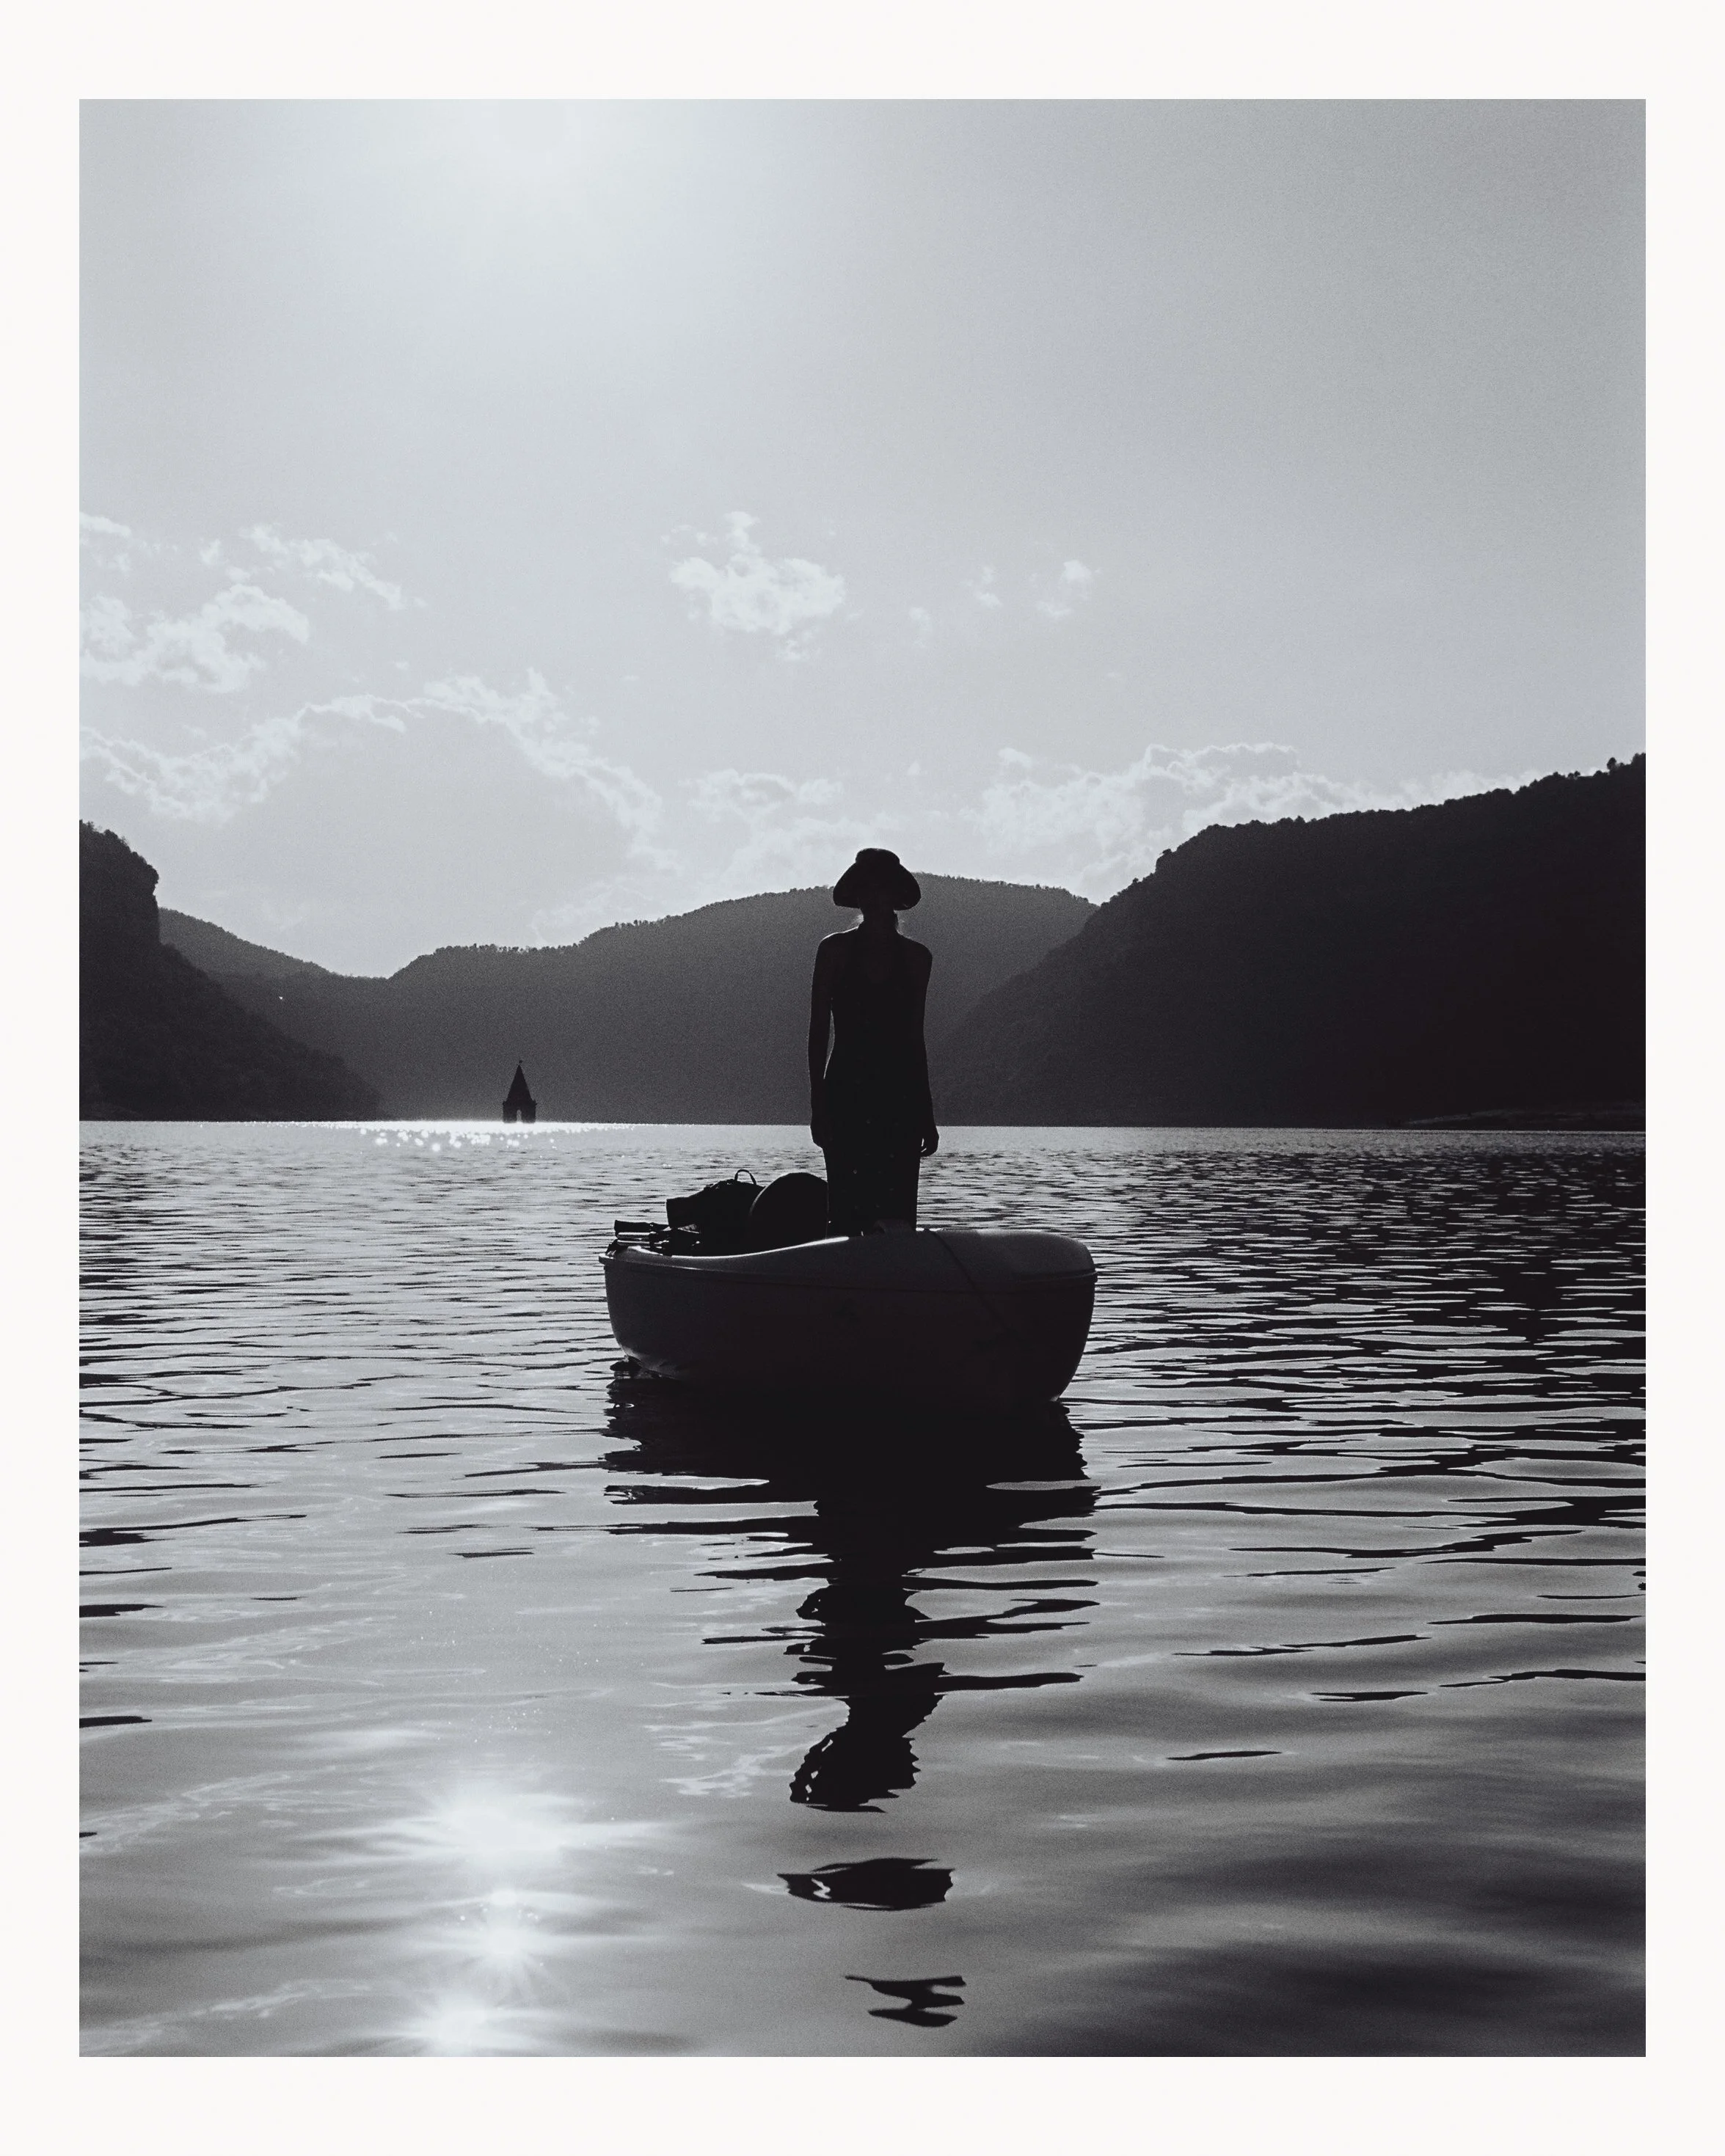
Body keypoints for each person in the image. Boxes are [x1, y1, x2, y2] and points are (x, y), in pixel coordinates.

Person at [809, 848, 938, 1234]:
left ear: (895, 898)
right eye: (867, 890)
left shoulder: (917, 958)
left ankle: (892, 1287)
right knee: (847, 1213)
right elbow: (818, 1032)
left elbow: (916, 1038)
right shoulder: (833, 951)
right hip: (846, 1092)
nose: (874, 898)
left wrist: (926, 1115)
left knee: (897, 1218)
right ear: (859, 898)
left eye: (881, 890)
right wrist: (819, 1106)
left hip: (898, 1097)